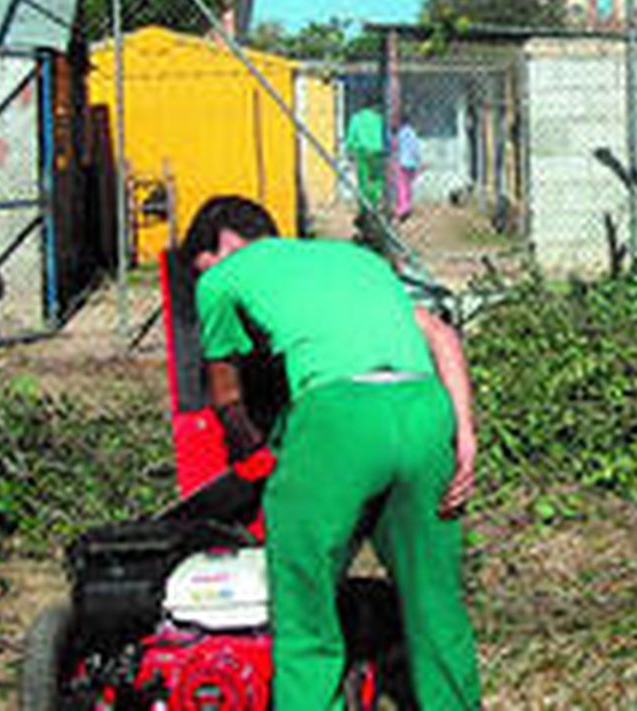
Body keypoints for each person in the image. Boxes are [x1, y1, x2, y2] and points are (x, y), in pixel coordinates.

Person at [182, 195, 481, 709]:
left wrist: (258, 455)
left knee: (304, 599)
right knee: (435, 598)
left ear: (221, 248)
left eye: (201, 267)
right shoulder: (355, 260)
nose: (201, 280)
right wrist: (465, 436)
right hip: (425, 410)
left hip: (340, 417)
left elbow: (226, 396)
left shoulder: (219, 278)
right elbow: (441, 335)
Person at [344, 105, 386, 214]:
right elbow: (384, 136)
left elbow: (351, 137)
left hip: (362, 152)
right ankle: (375, 201)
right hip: (377, 152)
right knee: (377, 179)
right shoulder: (379, 119)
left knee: (363, 180)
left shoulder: (356, 118)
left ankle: (365, 207)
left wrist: (349, 150)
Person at [394, 119, 422, 222]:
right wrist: (418, 161)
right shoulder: (413, 133)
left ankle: (403, 208)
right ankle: (407, 206)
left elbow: (396, 147)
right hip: (412, 163)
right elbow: (416, 149)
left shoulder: (400, 133)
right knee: (408, 186)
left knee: (402, 186)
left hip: (402, 162)